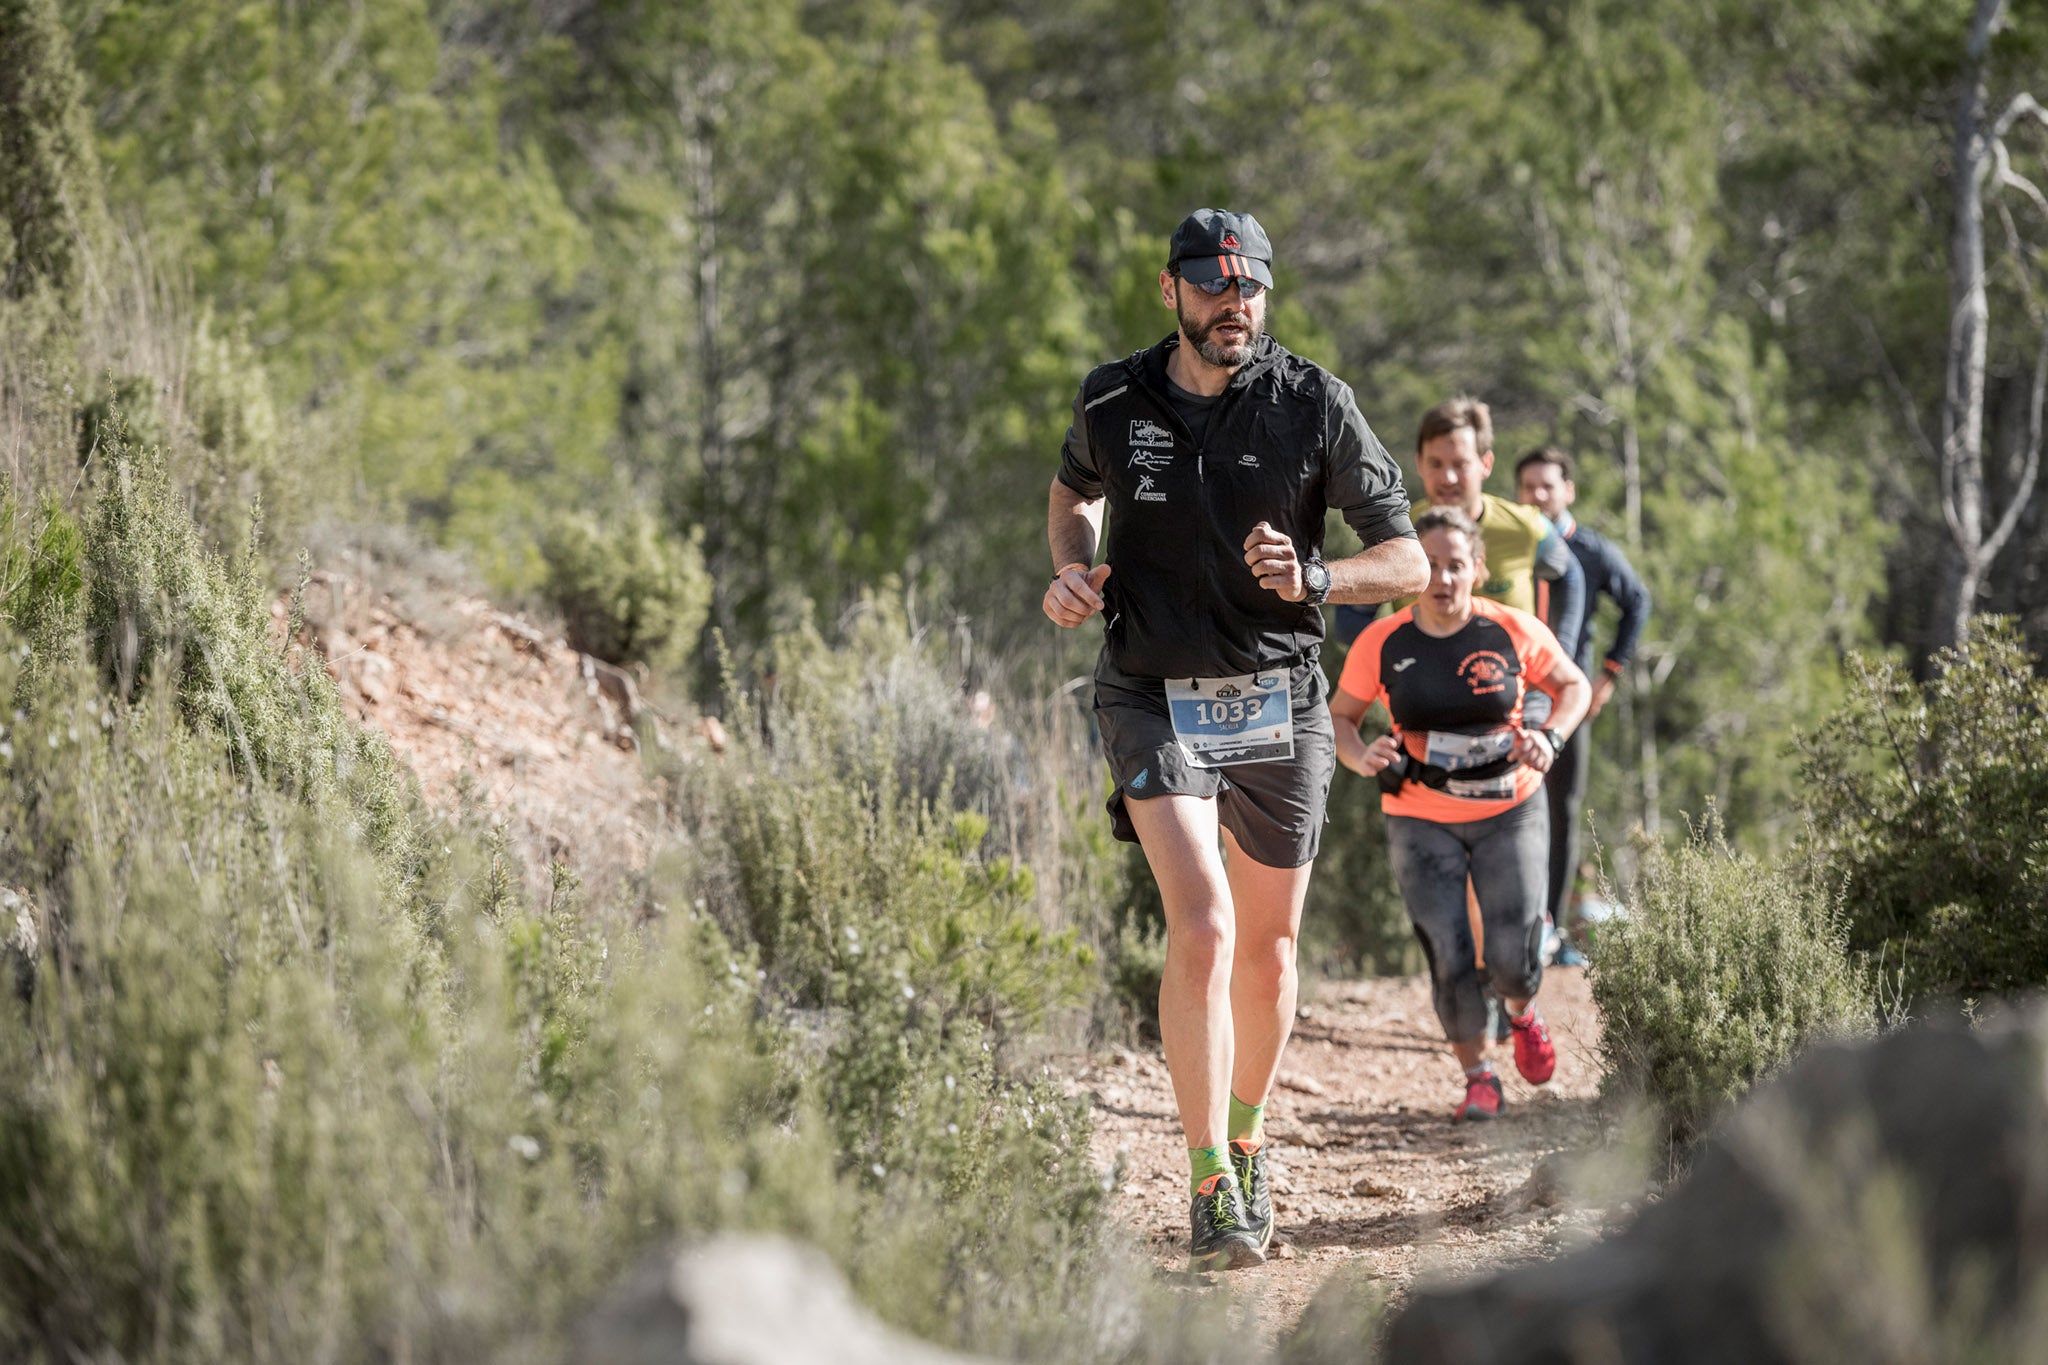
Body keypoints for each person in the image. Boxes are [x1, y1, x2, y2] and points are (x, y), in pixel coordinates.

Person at [1044, 208, 1427, 1271]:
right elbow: (1071, 491)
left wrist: (1314, 579)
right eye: (1212, 288)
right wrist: (1074, 568)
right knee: (1204, 927)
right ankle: (1209, 1175)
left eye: (1249, 287)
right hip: (1150, 691)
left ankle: (1247, 1135)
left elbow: (1403, 561)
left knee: (1266, 954)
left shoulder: (1313, 404)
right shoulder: (1115, 400)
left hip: (1278, 701)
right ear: (1170, 292)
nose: (1233, 306)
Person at [1330, 507, 1590, 1120]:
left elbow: (1572, 686)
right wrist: (1363, 755)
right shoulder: (1382, 641)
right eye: (1431, 567)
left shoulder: (1512, 629)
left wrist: (1548, 738)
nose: (1444, 580)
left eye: (1456, 566)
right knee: (1448, 953)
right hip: (1419, 816)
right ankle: (1478, 1076)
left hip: (1512, 808)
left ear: (1477, 568)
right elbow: (1339, 716)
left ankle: (1524, 1013)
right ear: (1411, 574)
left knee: (1512, 957)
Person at [1514, 447, 1650, 965]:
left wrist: (1609, 674)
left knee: (1561, 811)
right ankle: (1514, 929)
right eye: (1528, 487)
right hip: (1511, 699)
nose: (1537, 495)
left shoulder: (1590, 550)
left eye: (1548, 485)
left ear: (1568, 490)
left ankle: (1551, 930)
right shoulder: (1506, 543)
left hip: (1568, 702)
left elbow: (1637, 600)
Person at [1333, 397, 1584, 658]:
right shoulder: (1395, 533)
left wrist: (1560, 649)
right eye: (1436, 464)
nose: (1447, 478)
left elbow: (1570, 575)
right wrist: (1395, 662)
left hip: (1519, 693)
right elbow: (1351, 616)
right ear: (1419, 463)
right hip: (1425, 694)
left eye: (1460, 464)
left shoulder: (1528, 527)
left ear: (1485, 464)